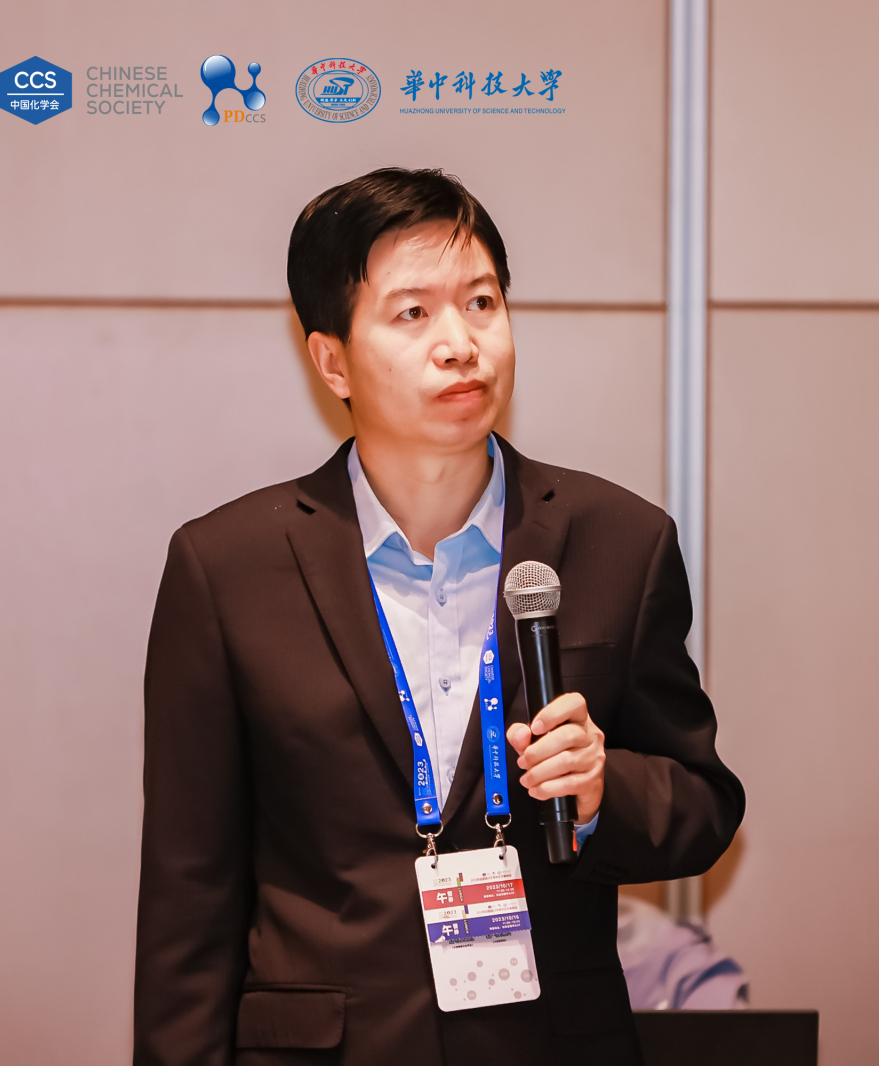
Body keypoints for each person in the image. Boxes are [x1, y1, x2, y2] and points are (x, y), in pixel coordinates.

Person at [133, 167, 744, 1066]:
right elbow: (190, 894)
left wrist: (602, 788)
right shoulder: (227, 569)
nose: (460, 344)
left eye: (482, 303)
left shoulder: (621, 541)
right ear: (332, 360)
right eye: (413, 313)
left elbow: (704, 805)